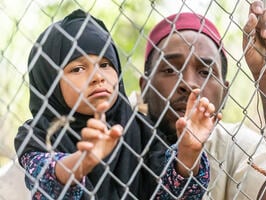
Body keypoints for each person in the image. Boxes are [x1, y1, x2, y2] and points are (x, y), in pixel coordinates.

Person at [14, 9, 221, 200]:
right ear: (49, 81)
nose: (97, 77)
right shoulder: (38, 135)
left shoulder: (141, 129)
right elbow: (44, 179)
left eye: (105, 65)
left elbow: (171, 192)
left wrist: (187, 152)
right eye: (77, 69)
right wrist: (80, 163)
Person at [139, 1, 266, 199]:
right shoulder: (116, 135)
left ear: (225, 91)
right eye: (170, 70)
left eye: (205, 72)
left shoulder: (237, 146)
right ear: (144, 86)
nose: (188, 84)